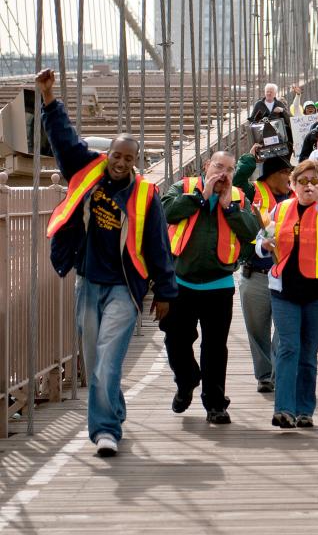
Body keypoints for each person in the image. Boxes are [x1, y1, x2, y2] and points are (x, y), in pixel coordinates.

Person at [36, 68, 177, 457]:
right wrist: (49, 99)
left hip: (123, 290)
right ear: (108, 154)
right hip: (87, 281)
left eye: (128, 158)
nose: (120, 162)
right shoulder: (87, 172)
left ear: (136, 162)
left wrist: (164, 293)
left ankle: (104, 430)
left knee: (107, 362)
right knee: (94, 361)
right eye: (115, 154)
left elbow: (159, 248)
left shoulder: (146, 197)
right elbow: (64, 141)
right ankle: (114, 410)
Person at [162, 151, 260, 424]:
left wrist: (230, 209)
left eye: (230, 169)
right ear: (206, 167)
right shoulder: (182, 188)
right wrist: (201, 196)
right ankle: (187, 380)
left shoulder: (239, 197)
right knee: (176, 341)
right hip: (181, 282)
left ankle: (215, 403)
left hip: (219, 283)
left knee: (215, 347)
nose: (224, 173)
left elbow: (253, 232)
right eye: (219, 166)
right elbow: (167, 212)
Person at [257, 159, 318, 428]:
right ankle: (283, 409)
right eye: (302, 181)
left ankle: (304, 409)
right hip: (284, 289)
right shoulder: (281, 209)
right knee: (288, 347)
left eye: (314, 181)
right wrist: (263, 245)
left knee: (308, 352)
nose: (308, 186)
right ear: (292, 184)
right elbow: (260, 243)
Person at [233, 151, 293, 394]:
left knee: (285, 327)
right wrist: (249, 159)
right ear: (270, 176)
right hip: (254, 272)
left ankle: (279, 372)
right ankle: (264, 375)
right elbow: (236, 182)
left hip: (287, 275)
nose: (289, 176)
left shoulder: (296, 196)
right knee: (256, 329)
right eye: (284, 172)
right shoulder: (251, 192)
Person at [249, 82, 293, 147]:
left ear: (275, 94)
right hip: (263, 136)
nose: (269, 93)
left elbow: (289, 119)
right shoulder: (258, 104)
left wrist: (282, 110)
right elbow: (252, 121)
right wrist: (259, 121)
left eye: (271, 92)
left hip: (279, 136)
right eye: (267, 92)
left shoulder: (279, 104)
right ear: (265, 93)